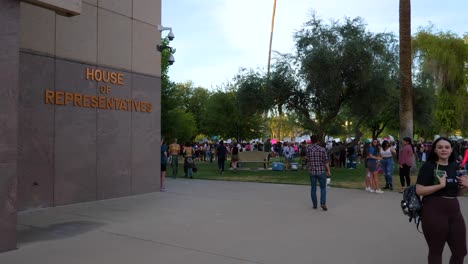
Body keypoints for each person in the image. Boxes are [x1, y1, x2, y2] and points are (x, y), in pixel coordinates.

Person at [416, 137, 467, 264]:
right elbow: (419, 190)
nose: (444, 149)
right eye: (440, 147)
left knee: (460, 251)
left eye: (447, 147)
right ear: (435, 150)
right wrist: (439, 185)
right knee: (436, 251)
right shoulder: (429, 166)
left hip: (454, 211)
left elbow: (457, 193)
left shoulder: (455, 166)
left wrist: (465, 186)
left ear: (451, 150)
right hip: (434, 211)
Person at [306, 135, 331, 211]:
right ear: (317, 140)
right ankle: (323, 203)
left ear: (311, 140)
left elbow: (308, 159)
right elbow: (326, 161)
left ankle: (314, 204)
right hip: (321, 171)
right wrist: (328, 171)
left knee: (313, 188)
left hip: (312, 171)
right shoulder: (322, 149)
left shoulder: (308, 149)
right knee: (323, 188)